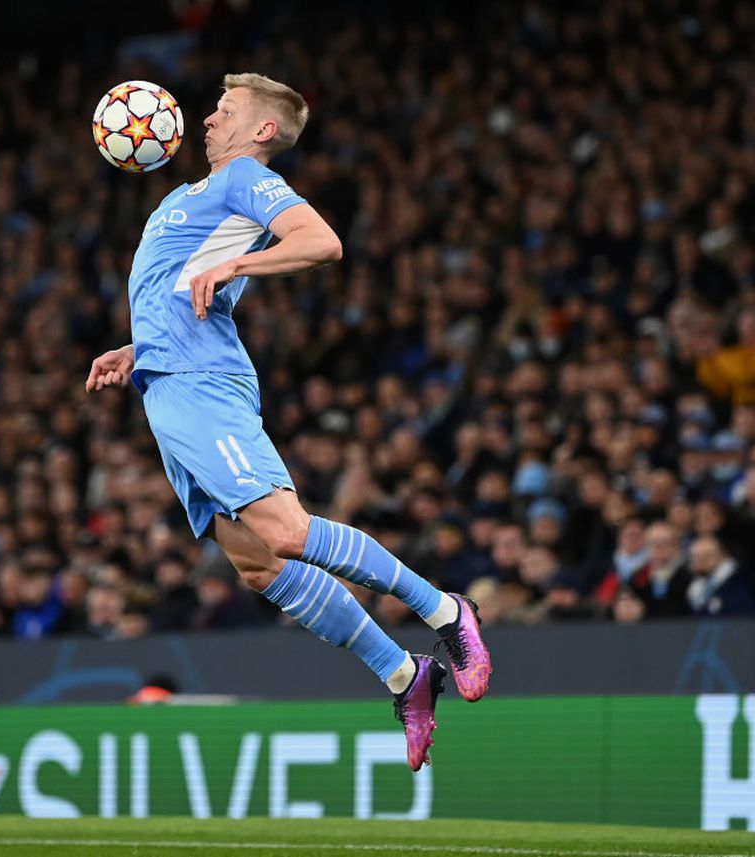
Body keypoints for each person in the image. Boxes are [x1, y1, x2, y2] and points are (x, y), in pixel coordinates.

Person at [85, 73, 491, 771]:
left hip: (202, 384)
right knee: (256, 563)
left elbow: (321, 241)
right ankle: (404, 675)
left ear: (262, 130)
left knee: (286, 530)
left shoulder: (244, 175)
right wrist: (136, 348)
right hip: (166, 384)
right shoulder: (187, 199)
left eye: (225, 110)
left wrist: (244, 261)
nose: (208, 119)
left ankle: (446, 613)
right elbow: (182, 289)